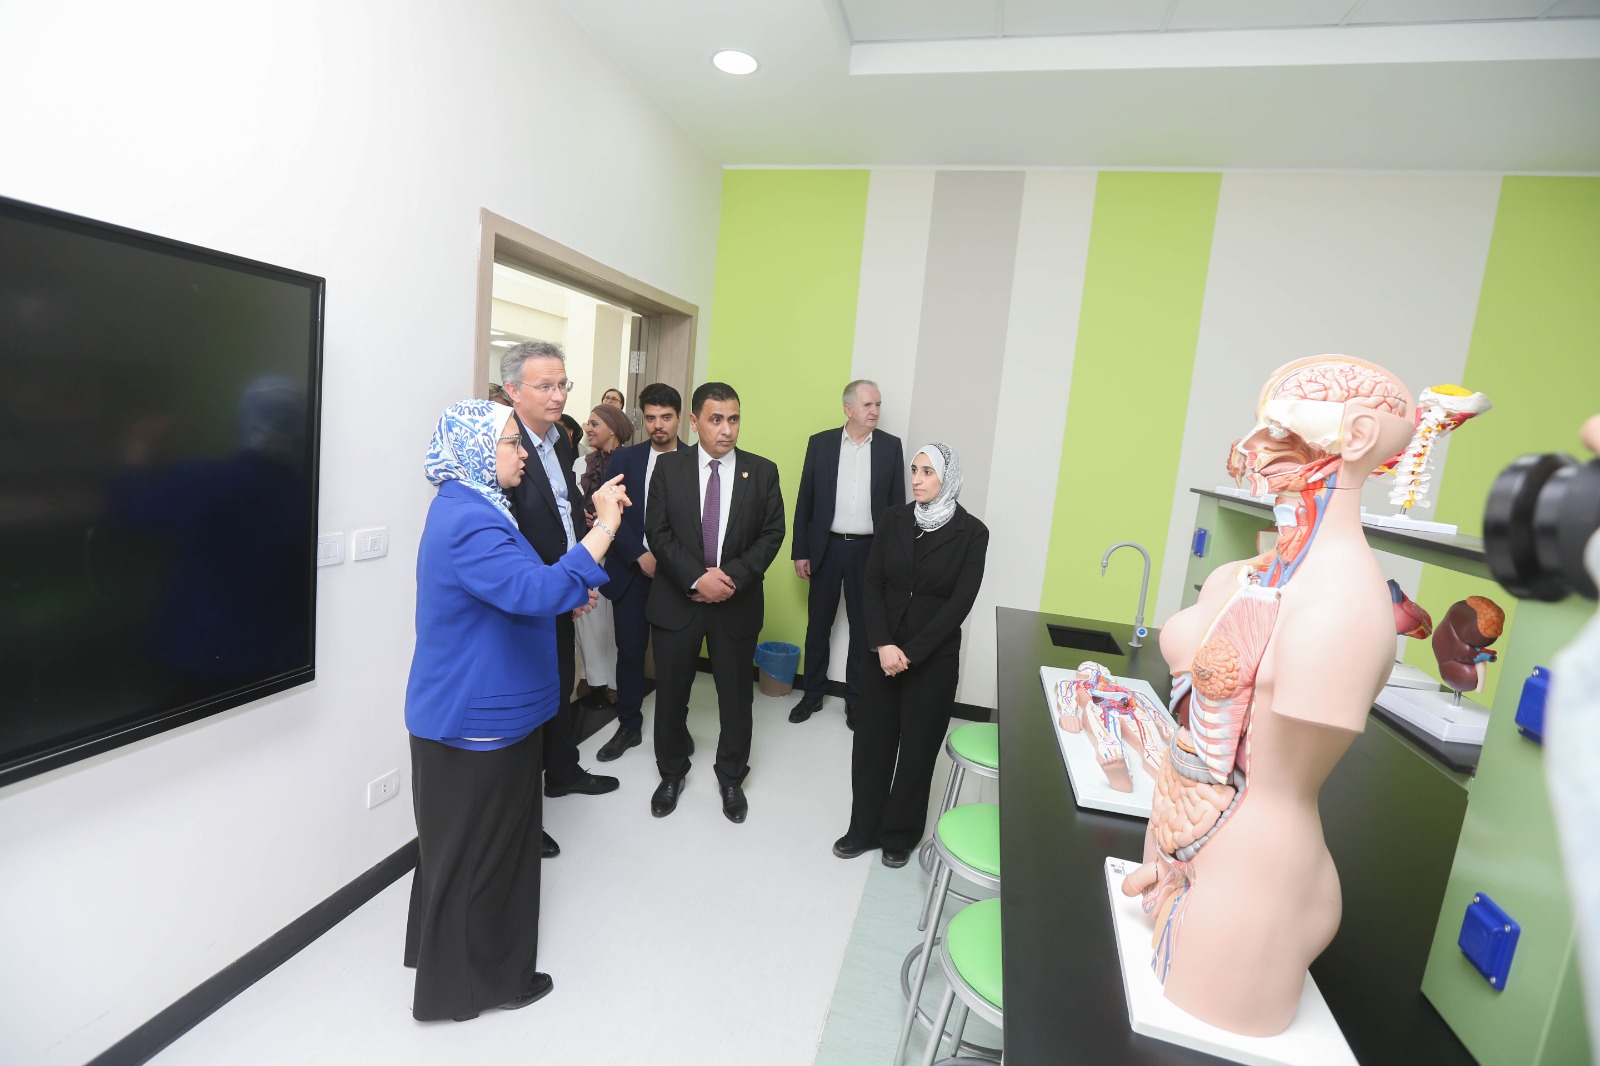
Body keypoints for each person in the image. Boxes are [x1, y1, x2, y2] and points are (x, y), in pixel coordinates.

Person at [402, 398, 629, 1022]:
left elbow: (520, 586)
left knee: (459, 853)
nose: (522, 453)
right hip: (479, 718)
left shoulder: (473, 506)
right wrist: (604, 528)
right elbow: (534, 589)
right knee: (487, 859)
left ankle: (443, 962)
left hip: (479, 709)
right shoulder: (472, 520)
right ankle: (478, 987)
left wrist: (566, 589)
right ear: (476, 451)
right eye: (509, 442)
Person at [834, 444, 988, 868]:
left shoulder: (972, 532)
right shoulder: (893, 519)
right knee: (872, 744)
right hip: (881, 651)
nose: (917, 479)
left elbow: (960, 602)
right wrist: (883, 644)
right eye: (915, 470)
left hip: (932, 659)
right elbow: (872, 582)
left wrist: (911, 653)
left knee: (917, 750)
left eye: (928, 472)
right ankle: (862, 828)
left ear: (947, 478)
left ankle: (899, 834)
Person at [644, 382, 785, 823]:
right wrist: (696, 577)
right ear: (694, 421)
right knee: (671, 696)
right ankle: (671, 773)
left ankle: (731, 777)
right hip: (678, 602)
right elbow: (657, 532)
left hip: (735, 603)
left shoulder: (762, 472)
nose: (727, 430)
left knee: (736, 699)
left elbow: (772, 534)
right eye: (716, 419)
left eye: (734, 419)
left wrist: (731, 579)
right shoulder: (669, 468)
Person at [501, 342, 619, 862]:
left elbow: (564, 512)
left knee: (557, 685)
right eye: (545, 386)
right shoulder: (505, 449)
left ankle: (563, 772)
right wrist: (561, 583)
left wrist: (578, 576)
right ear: (513, 391)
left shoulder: (559, 440)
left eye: (562, 385)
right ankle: (522, 820)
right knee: (528, 704)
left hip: (562, 583)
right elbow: (510, 537)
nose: (558, 396)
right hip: (529, 595)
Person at [790, 379, 905, 730]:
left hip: (870, 551)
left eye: (878, 405)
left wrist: (892, 557)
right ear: (848, 409)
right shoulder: (821, 443)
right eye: (868, 405)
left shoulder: (890, 447)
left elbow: (897, 507)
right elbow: (805, 501)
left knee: (864, 628)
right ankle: (812, 694)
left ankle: (855, 700)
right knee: (818, 625)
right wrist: (801, 551)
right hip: (826, 547)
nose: (875, 411)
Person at [594, 383, 686, 762]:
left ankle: (673, 730)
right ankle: (629, 726)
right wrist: (638, 555)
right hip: (631, 574)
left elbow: (698, 524)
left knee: (673, 660)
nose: (658, 425)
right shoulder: (625, 458)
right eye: (651, 418)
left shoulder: (695, 461)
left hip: (675, 579)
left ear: (680, 418)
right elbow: (610, 513)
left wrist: (669, 561)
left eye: (665, 417)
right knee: (629, 654)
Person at [570, 403, 635, 709]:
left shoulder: (632, 461)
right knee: (588, 617)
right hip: (588, 546)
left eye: (595, 423)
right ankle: (592, 677)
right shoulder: (579, 463)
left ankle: (614, 682)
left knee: (615, 622)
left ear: (613, 428)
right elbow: (571, 501)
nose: (588, 428)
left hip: (620, 551)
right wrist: (582, 516)